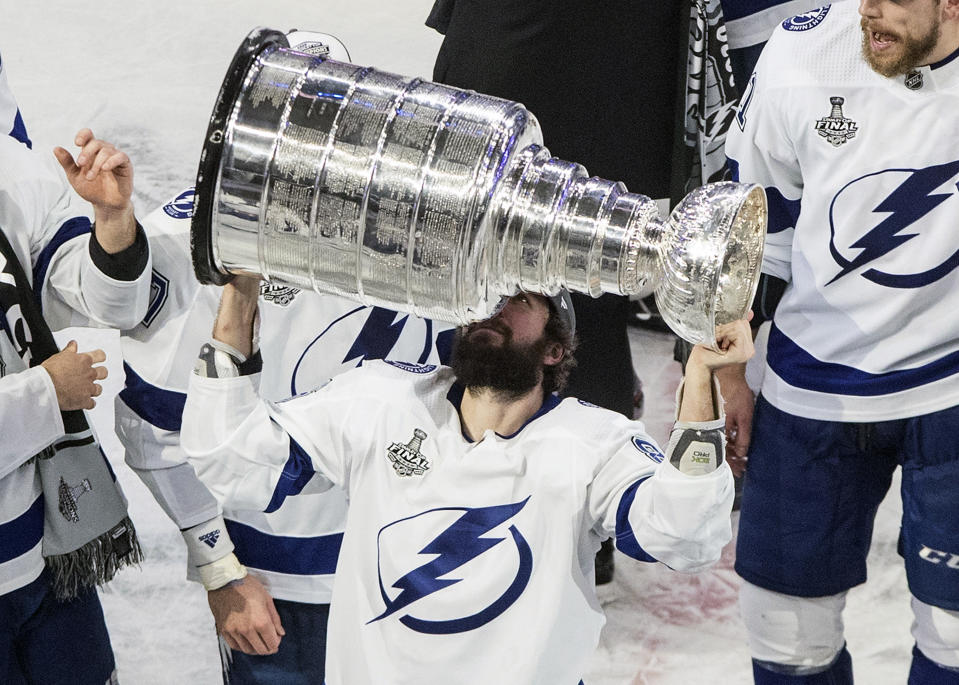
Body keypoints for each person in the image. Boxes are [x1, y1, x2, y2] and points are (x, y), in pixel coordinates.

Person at [181, 272, 752, 684]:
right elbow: (233, 457)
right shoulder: (383, 400)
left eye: (519, 296)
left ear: (556, 348)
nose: (493, 305)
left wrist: (701, 377)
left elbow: (684, 535)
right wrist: (239, 293)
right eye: (485, 291)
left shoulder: (595, 444)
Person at [114, 33, 453, 683]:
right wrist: (220, 569)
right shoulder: (194, 240)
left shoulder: (430, 231)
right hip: (279, 583)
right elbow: (154, 425)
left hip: (421, 563)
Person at [720, 1, 959, 682]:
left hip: (949, 393)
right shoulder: (801, 54)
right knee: (784, 636)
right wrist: (726, 374)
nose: (871, 15)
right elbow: (752, 237)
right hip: (811, 387)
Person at [426, 0, 686, 585]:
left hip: (537, 77)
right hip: (602, 85)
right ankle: (574, 523)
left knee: (494, 294)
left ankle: (528, 509)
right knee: (573, 303)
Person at [0, 128, 151, 683]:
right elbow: (53, 382)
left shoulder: (10, 172)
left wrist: (112, 224)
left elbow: (113, 306)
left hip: (47, 552)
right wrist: (46, 393)